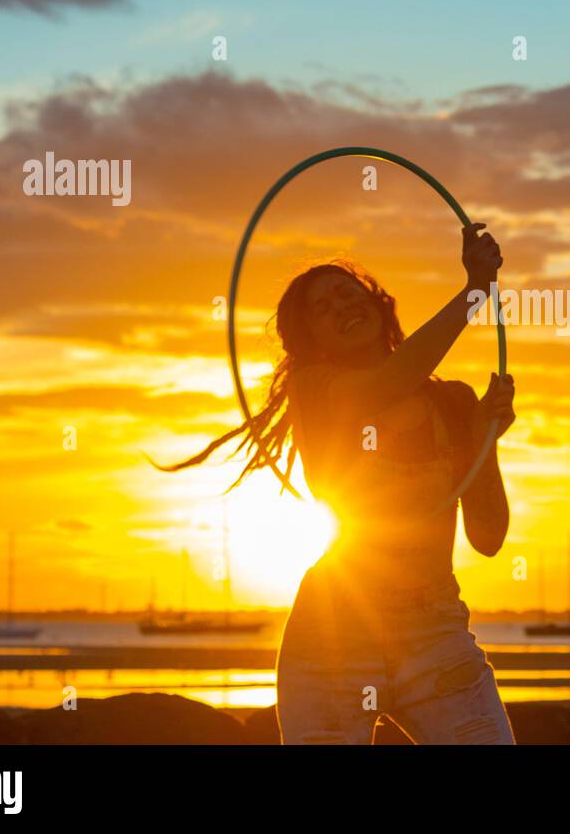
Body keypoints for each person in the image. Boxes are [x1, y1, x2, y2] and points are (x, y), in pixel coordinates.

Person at [159, 223, 516, 744]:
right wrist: (474, 292)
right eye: (323, 309)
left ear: (378, 303)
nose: (341, 305)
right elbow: (386, 385)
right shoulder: (317, 390)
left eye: (349, 292)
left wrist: (486, 439)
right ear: (313, 342)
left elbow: (487, 538)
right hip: (332, 635)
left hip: (436, 629)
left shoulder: (454, 403)